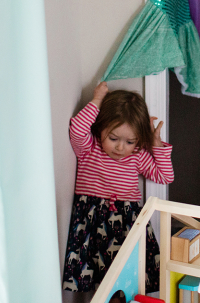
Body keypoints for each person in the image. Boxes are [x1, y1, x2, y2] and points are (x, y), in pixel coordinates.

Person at [62, 82, 173, 293]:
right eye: (113, 138)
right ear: (100, 127)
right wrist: (97, 100)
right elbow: (77, 130)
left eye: (130, 141)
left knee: (125, 281)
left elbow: (164, 176)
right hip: (92, 220)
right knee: (97, 281)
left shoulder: (137, 155)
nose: (121, 147)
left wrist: (156, 145)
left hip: (126, 222)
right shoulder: (90, 147)